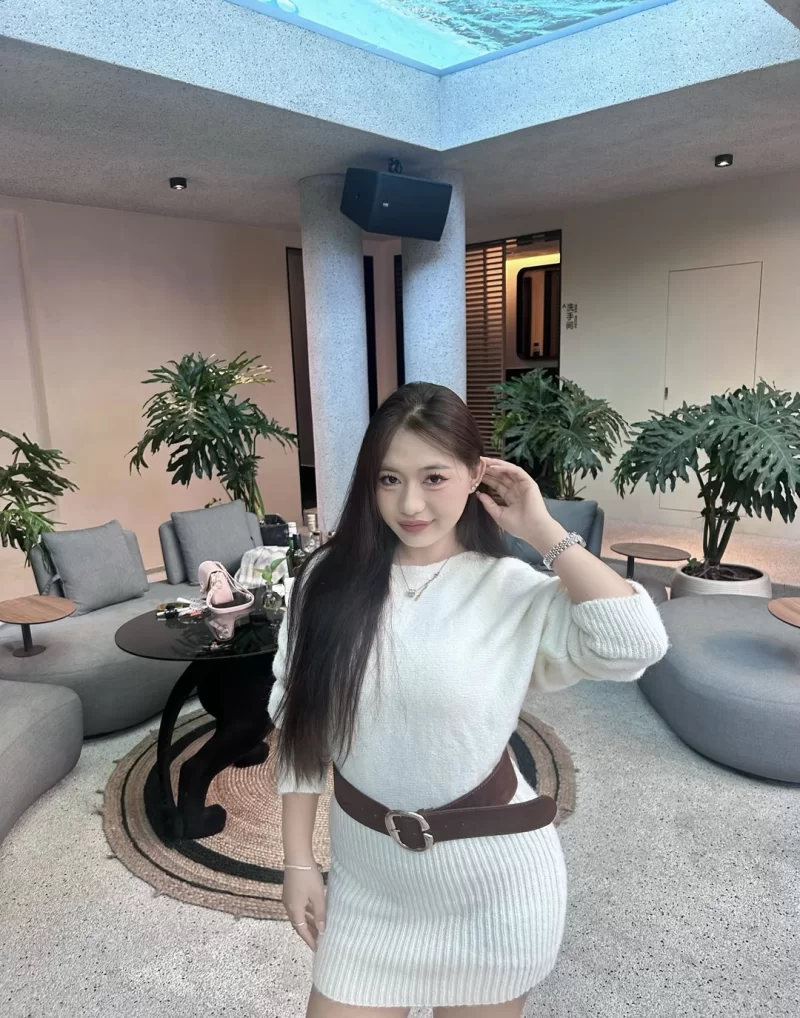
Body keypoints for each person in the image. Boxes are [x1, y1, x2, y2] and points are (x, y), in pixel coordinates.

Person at [268, 381, 669, 1018]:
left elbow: (635, 645)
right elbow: (300, 726)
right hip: (368, 886)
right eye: (389, 479)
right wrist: (297, 862)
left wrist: (542, 528)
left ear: (475, 474)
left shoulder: (511, 590)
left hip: (493, 890)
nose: (410, 504)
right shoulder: (325, 581)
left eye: (434, 477)